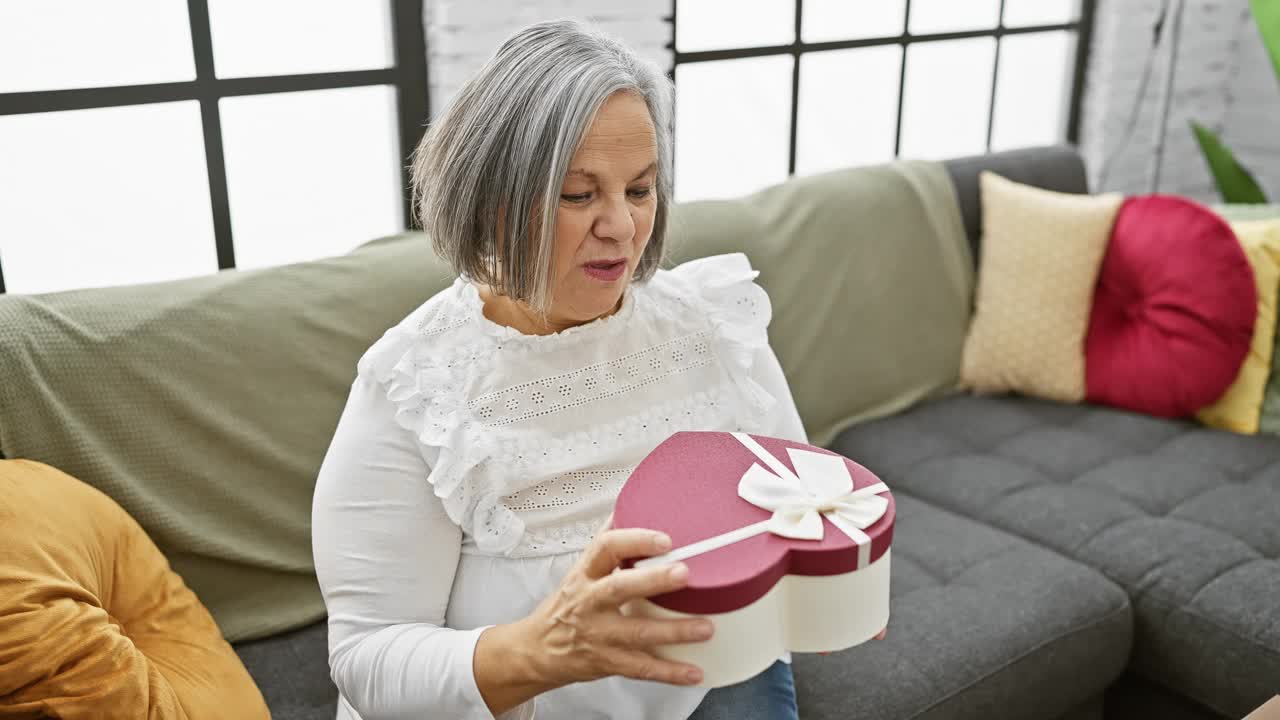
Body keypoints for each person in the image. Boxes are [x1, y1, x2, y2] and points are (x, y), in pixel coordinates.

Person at [312, 18, 880, 720]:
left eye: (639, 190)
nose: (621, 227)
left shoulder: (709, 324)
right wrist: (540, 649)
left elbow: (797, 488)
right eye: (579, 195)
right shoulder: (417, 388)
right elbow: (367, 657)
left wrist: (824, 579)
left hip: (714, 674)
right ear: (489, 202)